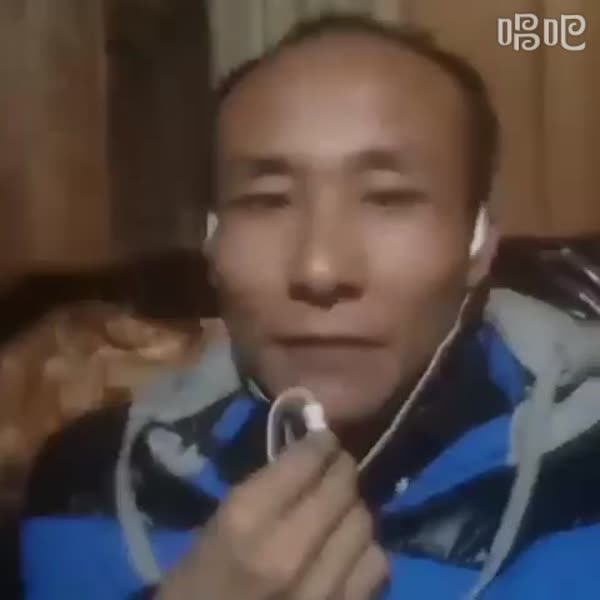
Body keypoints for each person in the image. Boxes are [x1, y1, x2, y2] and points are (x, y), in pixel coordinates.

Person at [20, 14, 600, 600]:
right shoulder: (91, 488)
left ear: (478, 241)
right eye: (268, 201)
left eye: (388, 199)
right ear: (212, 241)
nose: (320, 270)